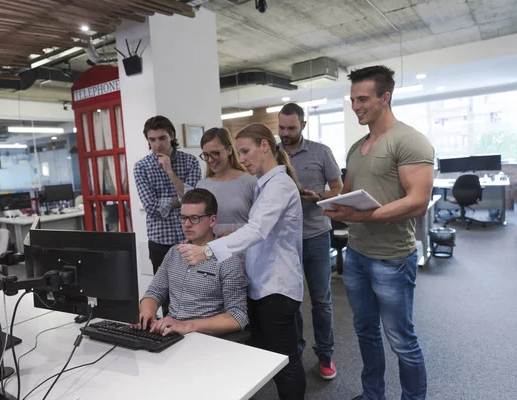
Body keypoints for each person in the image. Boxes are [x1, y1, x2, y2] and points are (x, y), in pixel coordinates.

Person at [324, 65, 434, 400]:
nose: (356, 106)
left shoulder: (409, 140)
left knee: (401, 339)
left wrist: (363, 217)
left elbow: (417, 202)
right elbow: (349, 194)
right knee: (365, 332)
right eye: (352, 99)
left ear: (385, 98)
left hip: (392, 259)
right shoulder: (357, 148)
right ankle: (373, 395)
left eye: (363, 99)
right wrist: (330, 203)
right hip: (357, 256)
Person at [178, 123, 306, 400]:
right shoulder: (266, 184)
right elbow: (264, 229)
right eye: (240, 152)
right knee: (262, 354)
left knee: (286, 362)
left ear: (264, 146)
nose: (243, 158)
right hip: (262, 284)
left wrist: (207, 250)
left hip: (277, 286)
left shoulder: (279, 185)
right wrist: (234, 234)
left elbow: (258, 229)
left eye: (246, 151)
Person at [278, 102, 342, 380]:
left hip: (315, 234)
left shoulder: (321, 151)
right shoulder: (273, 153)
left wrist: (319, 196)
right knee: (291, 300)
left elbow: (338, 188)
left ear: (303, 125)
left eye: (291, 128)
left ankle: (325, 355)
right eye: (281, 127)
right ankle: (297, 347)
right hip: (284, 238)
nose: (285, 133)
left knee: (321, 301)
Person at [135, 188, 248, 336]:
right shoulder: (174, 253)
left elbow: (237, 317)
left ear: (212, 220)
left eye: (194, 218)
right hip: (169, 333)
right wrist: (146, 313)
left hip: (204, 339)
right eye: (183, 218)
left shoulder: (227, 261)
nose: (187, 224)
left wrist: (187, 326)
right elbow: (154, 292)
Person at [133, 115, 201, 315]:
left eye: (161, 138)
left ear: (171, 135)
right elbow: (151, 207)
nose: (157, 144)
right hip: (159, 241)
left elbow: (193, 201)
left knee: (194, 291)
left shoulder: (190, 161)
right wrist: (179, 200)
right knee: (165, 295)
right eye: (152, 140)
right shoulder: (141, 167)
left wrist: (170, 172)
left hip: (189, 238)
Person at [195, 127, 256, 238]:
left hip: (245, 248)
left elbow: (261, 224)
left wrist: (236, 236)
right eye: (206, 155)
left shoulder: (250, 182)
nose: (210, 159)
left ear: (229, 150)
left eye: (215, 153)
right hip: (212, 249)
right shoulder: (202, 186)